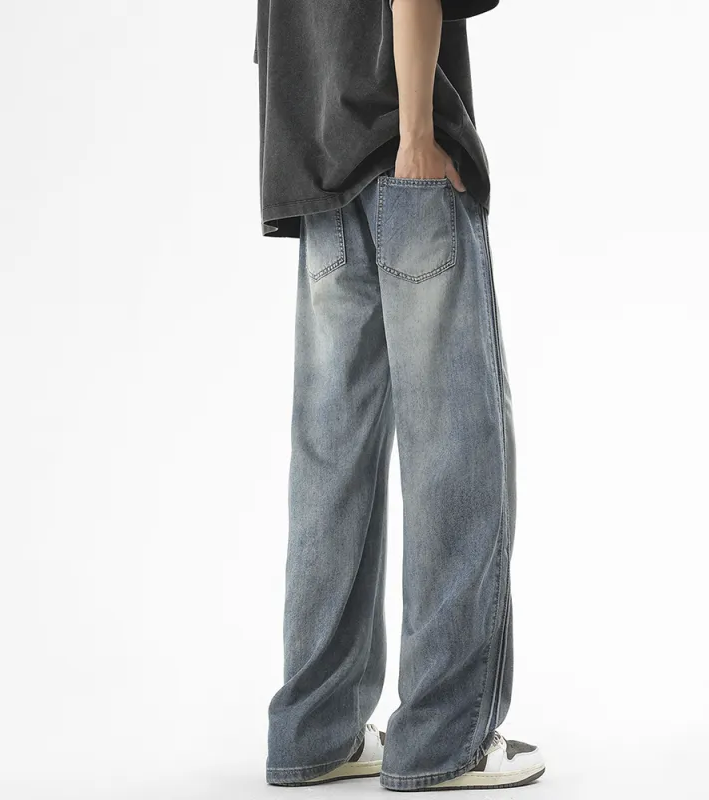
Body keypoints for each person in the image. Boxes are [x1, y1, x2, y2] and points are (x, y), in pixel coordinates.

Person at [253, 0, 544, 791]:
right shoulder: (409, 142)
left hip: (317, 172)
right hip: (400, 155)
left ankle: (316, 730)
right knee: (455, 450)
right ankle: (447, 739)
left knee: (330, 466)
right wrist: (418, 133)